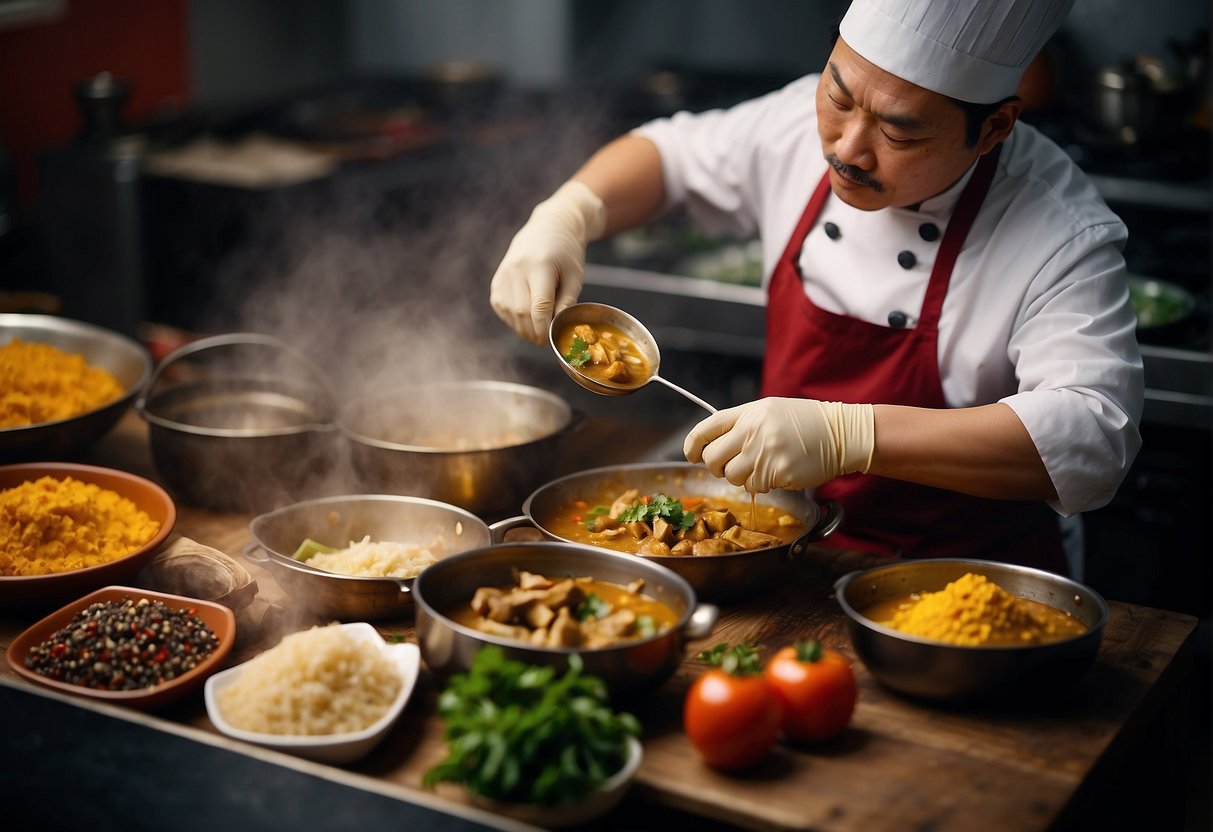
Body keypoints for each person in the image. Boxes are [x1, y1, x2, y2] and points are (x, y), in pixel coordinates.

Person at [488, 0, 1143, 575]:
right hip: (787, 557)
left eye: (898, 130)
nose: (847, 148)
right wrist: (567, 214)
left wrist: (848, 436)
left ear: (993, 128)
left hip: (963, 588)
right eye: (837, 97)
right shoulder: (795, 129)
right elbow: (674, 157)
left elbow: (1092, 436)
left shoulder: (1059, 230)